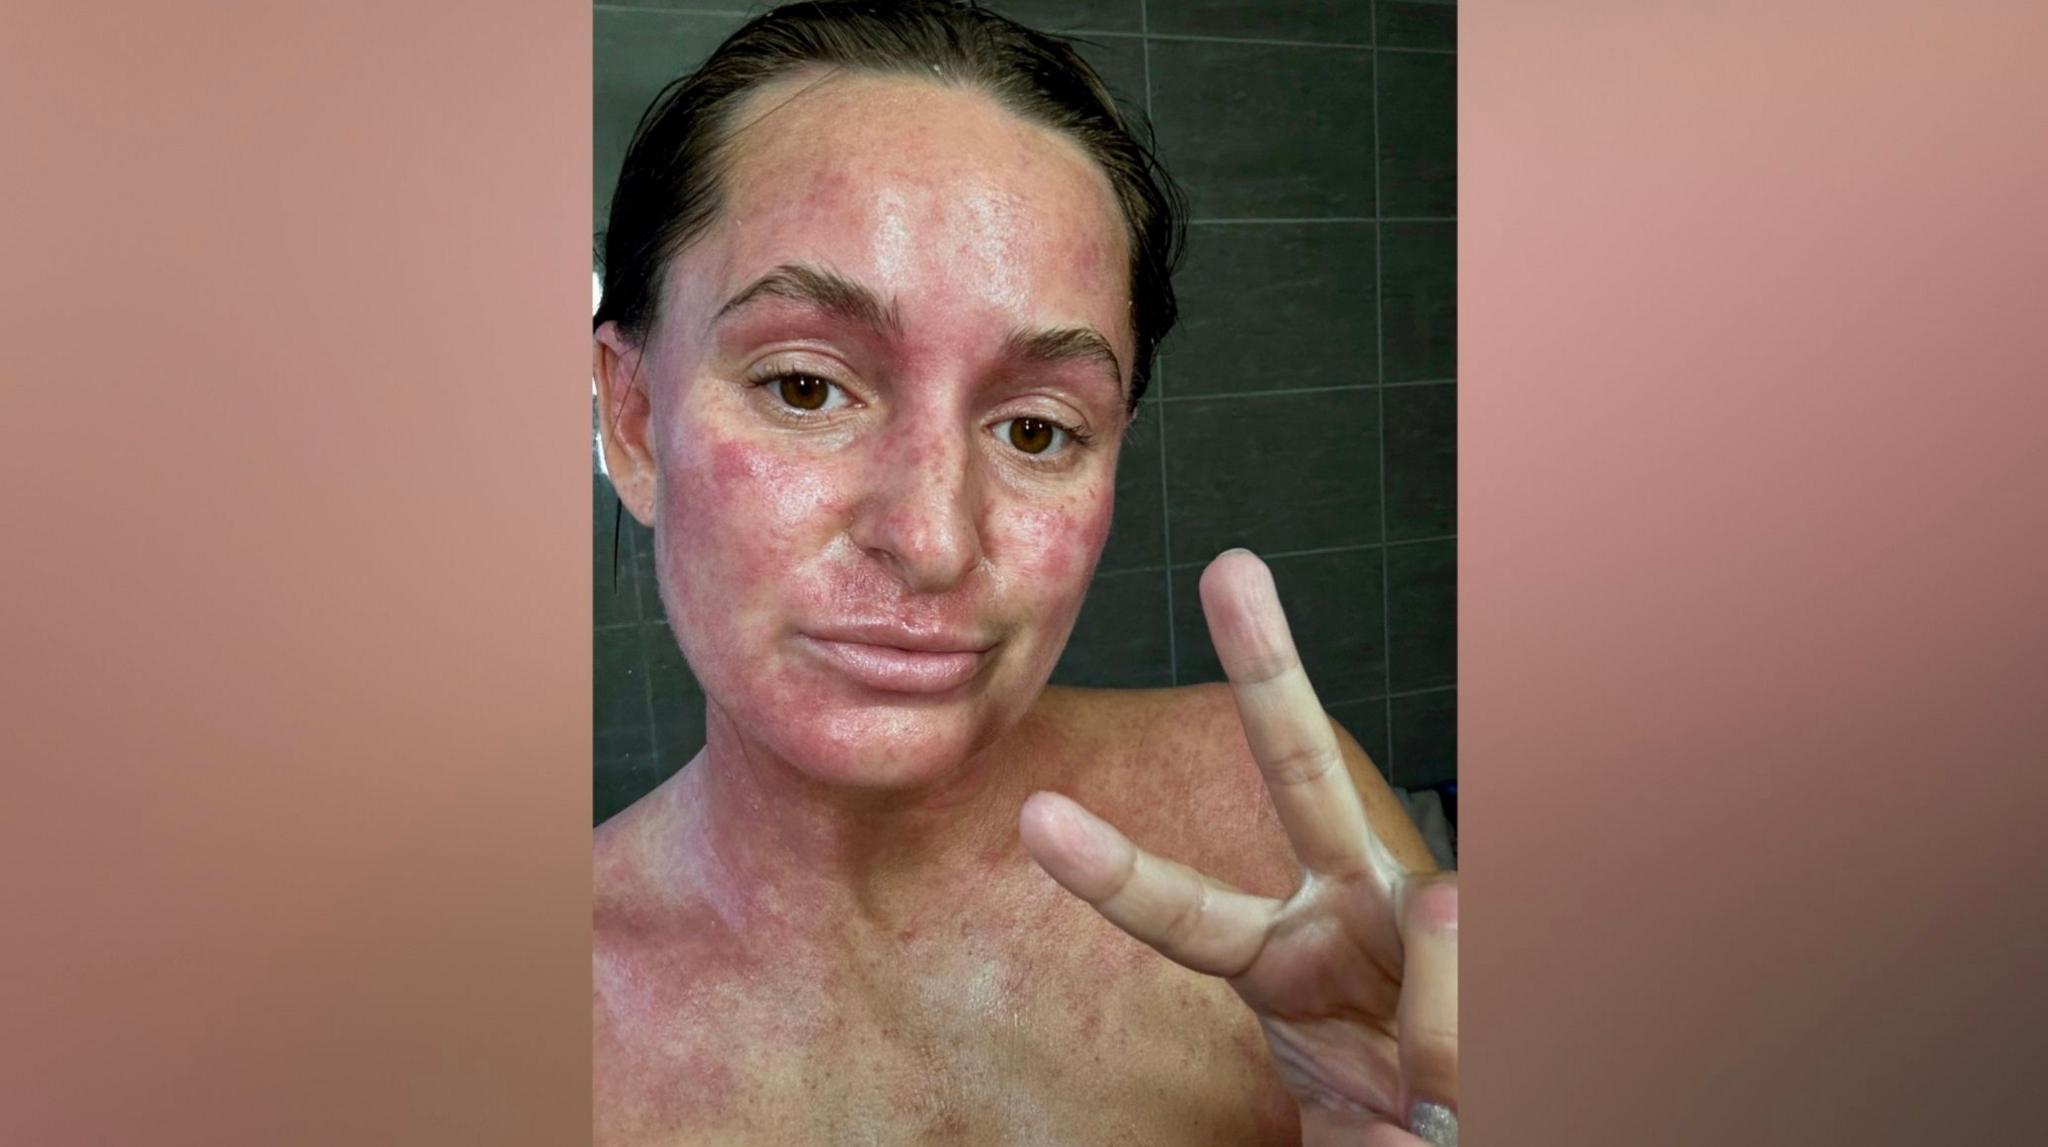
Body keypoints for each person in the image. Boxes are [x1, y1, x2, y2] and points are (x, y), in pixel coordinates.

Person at [591, 3, 1458, 1143]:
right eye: (805, 385)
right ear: (635, 419)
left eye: (1038, 429)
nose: (933, 537)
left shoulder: (1263, 826)